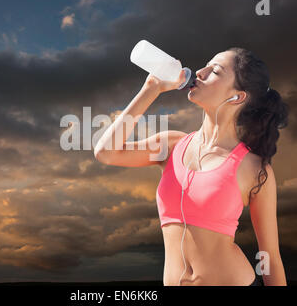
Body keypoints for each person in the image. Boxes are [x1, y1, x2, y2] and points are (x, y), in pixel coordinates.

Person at [94, 47, 289, 286]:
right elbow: (105, 152)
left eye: (214, 71)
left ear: (237, 97)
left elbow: (270, 256)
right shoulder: (170, 145)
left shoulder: (255, 168)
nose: (200, 72)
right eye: (205, 65)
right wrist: (151, 88)